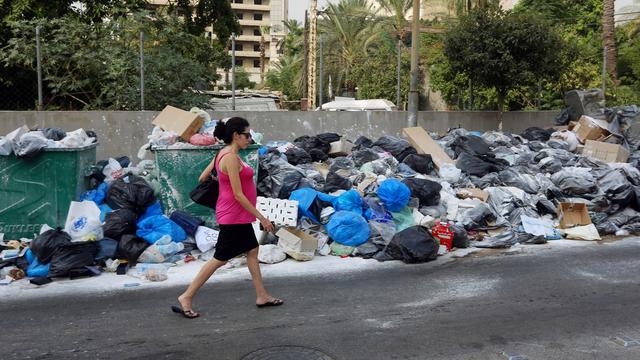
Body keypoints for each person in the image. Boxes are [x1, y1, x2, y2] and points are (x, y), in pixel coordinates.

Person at [173, 117, 283, 319]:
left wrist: (220, 179)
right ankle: (186, 296)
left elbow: (202, 178)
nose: (250, 139)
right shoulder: (230, 158)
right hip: (233, 216)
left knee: (252, 250)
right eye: (247, 135)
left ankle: (262, 295)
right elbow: (238, 194)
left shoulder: (223, 154)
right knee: (219, 259)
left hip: (236, 215)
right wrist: (263, 218)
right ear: (236, 135)